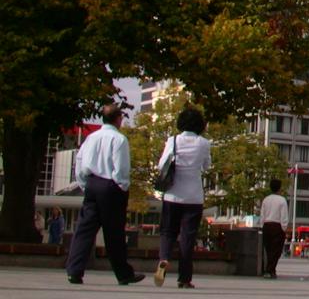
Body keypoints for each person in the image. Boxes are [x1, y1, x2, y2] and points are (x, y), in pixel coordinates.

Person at [65, 104, 145, 286]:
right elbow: (122, 168)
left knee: (85, 230)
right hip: (111, 186)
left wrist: (85, 184)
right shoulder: (119, 139)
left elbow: (80, 161)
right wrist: (121, 186)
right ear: (119, 119)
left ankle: (74, 270)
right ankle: (123, 273)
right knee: (114, 232)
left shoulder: (91, 137)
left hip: (92, 183)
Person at [154, 107, 212, 289]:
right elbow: (206, 166)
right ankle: (184, 278)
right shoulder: (204, 143)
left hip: (173, 194)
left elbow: (161, 165)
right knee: (188, 237)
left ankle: (164, 258)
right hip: (194, 196)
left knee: (167, 232)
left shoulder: (173, 141)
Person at [260, 178, 289, 279]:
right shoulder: (282, 200)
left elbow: (262, 215)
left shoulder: (266, 199)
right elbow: (284, 216)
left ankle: (270, 269)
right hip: (277, 226)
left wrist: (262, 226)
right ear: (280, 188)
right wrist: (284, 228)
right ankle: (270, 269)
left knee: (268, 249)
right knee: (276, 250)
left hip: (267, 225)